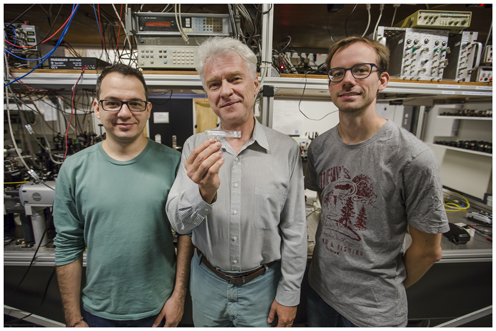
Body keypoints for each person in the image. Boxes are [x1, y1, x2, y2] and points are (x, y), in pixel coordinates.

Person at [304, 36, 449, 327]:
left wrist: (383, 291)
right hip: (318, 296)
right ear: (330, 83)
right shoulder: (319, 148)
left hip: (373, 315)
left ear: (382, 80)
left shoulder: (413, 157)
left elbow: (429, 250)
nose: (347, 80)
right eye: (337, 73)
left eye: (360, 70)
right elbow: (327, 206)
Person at [166, 37, 307, 327]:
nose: (226, 91)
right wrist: (204, 192)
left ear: (255, 84)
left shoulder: (285, 150)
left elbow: (295, 229)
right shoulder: (196, 147)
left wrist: (289, 294)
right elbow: (180, 224)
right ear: (207, 93)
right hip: (207, 283)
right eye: (214, 84)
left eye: (235, 79)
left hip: (263, 286)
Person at [53, 64, 193, 327]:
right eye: (113, 103)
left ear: (148, 110)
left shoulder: (175, 164)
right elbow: (67, 246)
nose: (125, 113)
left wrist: (179, 296)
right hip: (99, 312)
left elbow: (187, 234)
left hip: (161, 309)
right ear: (97, 108)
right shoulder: (73, 169)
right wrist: (73, 319)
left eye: (135, 103)